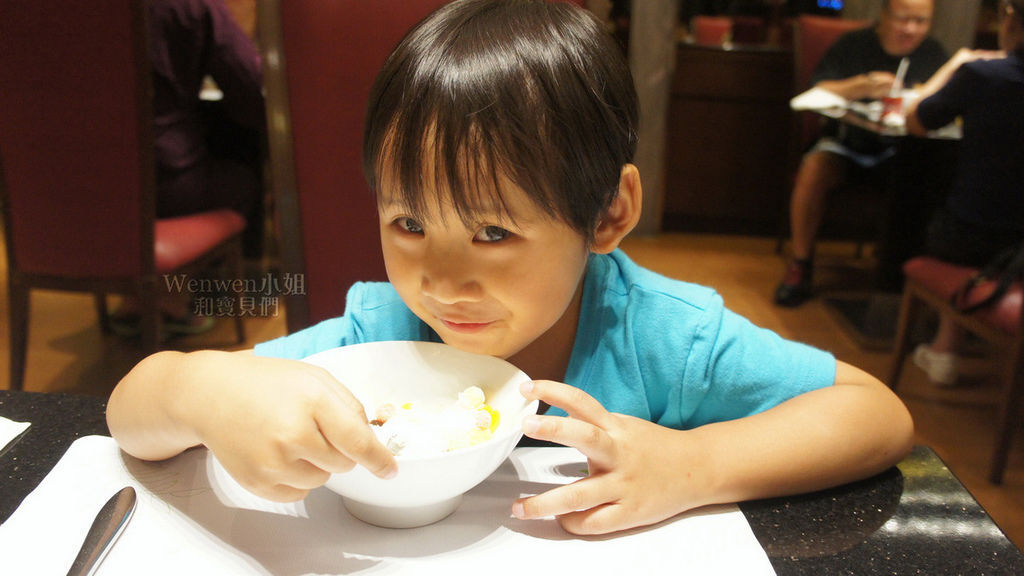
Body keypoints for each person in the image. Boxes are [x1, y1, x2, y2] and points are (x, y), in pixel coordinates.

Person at [107, 0, 913, 536]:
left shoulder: (665, 337)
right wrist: (204, 392)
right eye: (409, 222)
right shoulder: (377, 333)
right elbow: (131, 415)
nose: (440, 282)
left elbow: (874, 413)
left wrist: (695, 464)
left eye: (493, 231)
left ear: (608, 214)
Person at [774, 0, 948, 307]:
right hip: (847, 145)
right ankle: (800, 264)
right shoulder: (854, 45)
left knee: (934, 176)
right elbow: (817, 89)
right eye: (903, 19)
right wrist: (863, 85)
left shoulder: (934, 55)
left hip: (901, 153)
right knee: (815, 167)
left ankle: (900, 277)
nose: (911, 29)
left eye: (920, 21)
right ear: (884, 15)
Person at [112, 0, 266, 335]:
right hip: (168, 185)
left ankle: (132, 294)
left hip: (64, 199)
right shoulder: (191, 5)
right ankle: (170, 296)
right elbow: (249, 86)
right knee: (241, 178)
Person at [903, 0, 1024, 386]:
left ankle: (945, 347)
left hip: (973, 237)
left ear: (1010, 19)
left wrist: (954, 67)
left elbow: (917, 121)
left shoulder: (984, 75)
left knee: (951, 212)